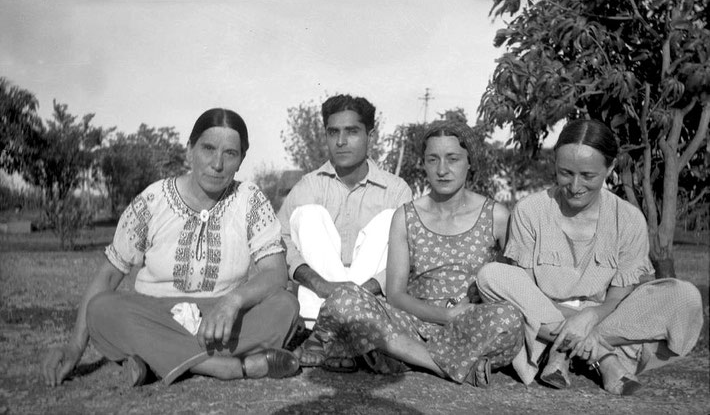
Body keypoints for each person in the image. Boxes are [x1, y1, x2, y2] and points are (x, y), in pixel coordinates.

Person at [41, 108, 300, 387]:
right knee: (101, 309)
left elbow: (275, 274)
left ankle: (156, 359)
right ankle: (226, 368)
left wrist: (233, 302)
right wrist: (73, 348)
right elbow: (108, 276)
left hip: (219, 323)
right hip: (155, 314)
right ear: (189, 150)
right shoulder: (153, 201)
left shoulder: (250, 200)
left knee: (285, 306)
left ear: (241, 160)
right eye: (208, 148)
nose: (217, 163)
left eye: (230, 153)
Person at [476, 119, 703, 395]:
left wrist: (592, 315)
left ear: (610, 167)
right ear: (555, 165)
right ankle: (604, 357)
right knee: (492, 275)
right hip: (546, 316)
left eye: (588, 176)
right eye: (565, 173)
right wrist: (573, 319)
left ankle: (563, 351)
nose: (574, 186)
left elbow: (619, 296)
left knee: (685, 296)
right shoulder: (530, 211)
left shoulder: (629, 219)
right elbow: (527, 291)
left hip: (601, 319)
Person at [298, 120, 524, 386]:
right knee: (344, 298)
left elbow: (513, 284)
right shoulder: (406, 216)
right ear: (424, 163)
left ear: (470, 161)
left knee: (509, 319)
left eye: (453, 159)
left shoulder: (496, 215)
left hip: (469, 325)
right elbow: (395, 294)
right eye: (433, 159)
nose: (442, 170)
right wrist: (444, 316)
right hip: (410, 322)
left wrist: (462, 314)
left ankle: (395, 354)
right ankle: (442, 365)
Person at [277, 94, 412, 368]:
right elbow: (280, 242)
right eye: (333, 132)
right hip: (320, 297)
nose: (341, 141)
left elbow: (410, 256)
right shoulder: (309, 186)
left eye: (351, 132)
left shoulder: (396, 190)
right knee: (308, 214)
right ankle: (350, 341)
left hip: (372, 299)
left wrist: (361, 293)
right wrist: (319, 283)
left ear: (369, 135)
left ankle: (331, 340)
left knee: (392, 220)